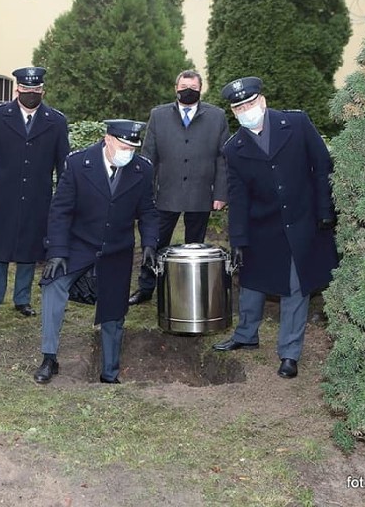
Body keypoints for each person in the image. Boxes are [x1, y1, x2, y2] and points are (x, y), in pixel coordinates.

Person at [213, 76, 337, 379]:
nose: (246, 109)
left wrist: (325, 211)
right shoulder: (234, 148)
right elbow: (238, 197)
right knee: (252, 282)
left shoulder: (296, 124)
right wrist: (238, 239)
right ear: (234, 111)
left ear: (263, 101)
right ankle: (246, 335)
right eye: (239, 106)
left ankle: (289, 353)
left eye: (250, 103)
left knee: (296, 286)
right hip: (261, 224)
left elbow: (322, 166)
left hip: (302, 220)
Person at [34, 119, 158, 385]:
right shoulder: (79, 164)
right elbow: (61, 210)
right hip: (80, 244)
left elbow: (148, 210)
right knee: (53, 285)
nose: (128, 151)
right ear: (108, 139)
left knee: (114, 310)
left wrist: (150, 243)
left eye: (133, 147)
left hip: (116, 249)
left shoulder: (142, 169)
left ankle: (109, 372)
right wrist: (57, 251)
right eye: (124, 145)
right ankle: (49, 357)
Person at [0, 67, 70, 318]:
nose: (31, 94)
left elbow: (64, 164)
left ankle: (22, 299)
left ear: (42, 91)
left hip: (38, 197)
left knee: (29, 249)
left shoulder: (56, 121)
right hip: (2, 196)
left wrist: (62, 199)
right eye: (26, 90)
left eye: (36, 90)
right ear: (17, 90)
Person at [128, 70, 229, 305]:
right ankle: (146, 287)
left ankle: (188, 289)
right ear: (176, 88)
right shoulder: (158, 115)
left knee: (193, 246)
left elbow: (223, 159)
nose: (188, 90)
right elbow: (148, 157)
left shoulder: (217, 117)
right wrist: (145, 193)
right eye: (184, 86)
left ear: (200, 89)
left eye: (193, 87)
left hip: (201, 193)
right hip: (165, 193)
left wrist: (221, 193)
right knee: (154, 242)